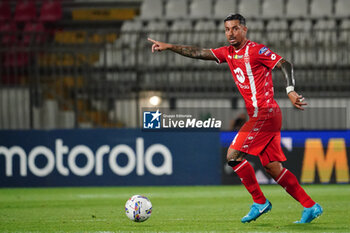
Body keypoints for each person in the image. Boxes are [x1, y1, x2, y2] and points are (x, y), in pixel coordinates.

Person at [148, 14, 323, 224]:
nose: (230, 33)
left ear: (244, 30)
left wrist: (290, 90)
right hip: (263, 116)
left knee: (233, 155)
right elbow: (198, 52)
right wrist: (168, 46)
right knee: (272, 167)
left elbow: (285, 64)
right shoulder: (228, 53)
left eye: (235, 29)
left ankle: (260, 202)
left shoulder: (256, 50)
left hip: (265, 114)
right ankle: (311, 206)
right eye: (227, 29)